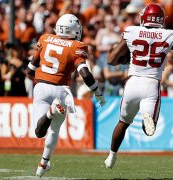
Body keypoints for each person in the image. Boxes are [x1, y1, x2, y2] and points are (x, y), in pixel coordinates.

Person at [104, 3, 173, 169]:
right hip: (151, 84)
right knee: (149, 128)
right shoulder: (167, 35)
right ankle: (146, 116)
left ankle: (111, 155)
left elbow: (111, 60)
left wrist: (125, 55)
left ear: (144, 17)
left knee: (123, 122)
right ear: (161, 19)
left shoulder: (132, 31)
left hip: (133, 82)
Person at [26, 14, 105, 177]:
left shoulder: (46, 38)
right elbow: (85, 73)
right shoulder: (77, 46)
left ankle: (49, 114)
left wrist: (42, 80)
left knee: (39, 132)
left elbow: (29, 70)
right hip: (61, 90)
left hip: (40, 87)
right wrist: (97, 91)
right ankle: (43, 163)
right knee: (54, 131)